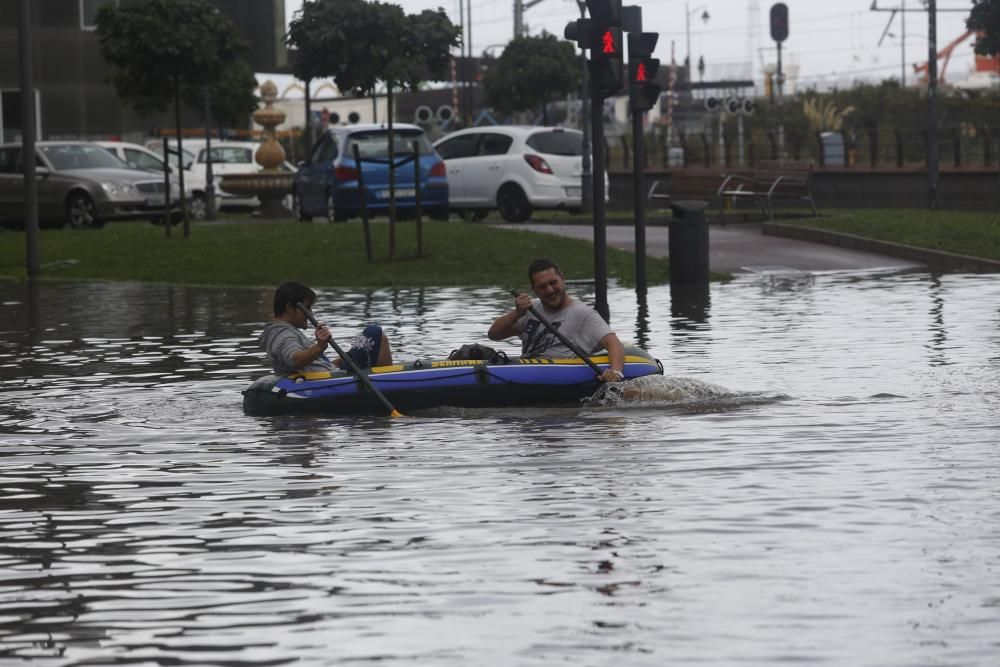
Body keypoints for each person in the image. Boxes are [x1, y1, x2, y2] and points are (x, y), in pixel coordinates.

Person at [488, 258, 626, 383]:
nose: (550, 290)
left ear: (562, 278)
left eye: (553, 283)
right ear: (534, 289)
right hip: (527, 375)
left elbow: (614, 343)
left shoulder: (582, 313)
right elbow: (494, 334)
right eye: (542, 286)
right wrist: (516, 313)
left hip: (559, 381)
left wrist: (615, 372)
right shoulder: (531, 309)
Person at [258, 281, 393, 376]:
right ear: (289, 308)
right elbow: (294, 359)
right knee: (375, 334)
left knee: (374, 339)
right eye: (308, 308)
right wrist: (320, 347)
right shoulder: (280, 333)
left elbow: (312, 366)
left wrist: (341, 360)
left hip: (332, 373)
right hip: (329, 381)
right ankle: (391, 386)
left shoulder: (280, 331)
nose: (311, 313)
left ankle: (386, 382)